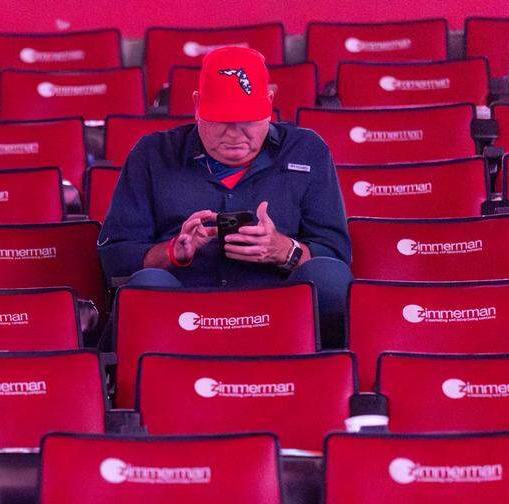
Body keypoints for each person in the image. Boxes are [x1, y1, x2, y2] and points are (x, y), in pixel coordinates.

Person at [97, 46, 352, 347]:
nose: (235, 134)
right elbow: (115, 258)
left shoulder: (307, 150)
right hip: (184, 309)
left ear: (269, 103)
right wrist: (171, 254)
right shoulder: (152, 154)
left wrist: (284, 250)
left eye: (248, 120)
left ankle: (329, 381)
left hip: (280, 307)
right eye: (222, 120)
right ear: (197, 106)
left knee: (331, 278)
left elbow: (337, 256)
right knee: (146, 286)